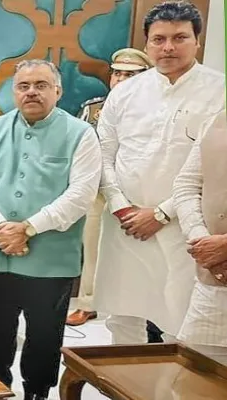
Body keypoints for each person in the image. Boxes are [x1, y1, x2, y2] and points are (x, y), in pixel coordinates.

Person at [0, 59, 101, 400]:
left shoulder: (81, 134)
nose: (31, 92)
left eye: (41, 85)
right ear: (14, 91)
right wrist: (1, 226)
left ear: (58, 90)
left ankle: (37, 392)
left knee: (44, 334)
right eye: (23, 86)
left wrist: (28, 228)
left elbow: (81, 194)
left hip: (51, 256)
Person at [93, 1, 226, 344]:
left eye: (179, 37)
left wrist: (161, 214)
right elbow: (104, 155)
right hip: (124, 225)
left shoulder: (220, 91)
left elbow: (209, 172)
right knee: (122, 319)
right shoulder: (125, 92)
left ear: (197, 41)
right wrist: (122, 206)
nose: (168, 47)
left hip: (183, 227)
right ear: (147, 43)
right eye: (159, 39)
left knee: (178, 321)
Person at [67, 48, 153, 327]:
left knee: (135, 250)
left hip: (139, 192)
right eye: (117, 73)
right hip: (98, 189)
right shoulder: (93, 108)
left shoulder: (154, 111)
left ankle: (132, 307)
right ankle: (88, 303)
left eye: (130, 74)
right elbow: (78, 148)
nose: (121, 79)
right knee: (92, 247)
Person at [173, 109, 227, 358]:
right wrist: (202, 241)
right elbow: (186, 185)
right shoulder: (215, 121)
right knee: (195, 375)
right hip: (214, 280)